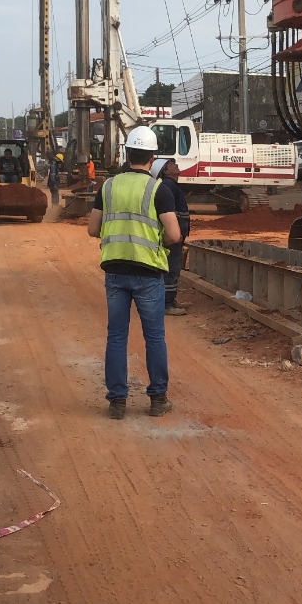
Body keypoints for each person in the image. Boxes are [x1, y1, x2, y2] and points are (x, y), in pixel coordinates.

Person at [88, 126, 181, 420]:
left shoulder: (108, 187)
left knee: (116, 336)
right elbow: (174, 234)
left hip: (115, 270)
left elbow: (93, 229)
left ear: (127, 153)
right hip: (147, 273)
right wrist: (156, 243)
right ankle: (157, 400)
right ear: (152, 157)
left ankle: (117, 402)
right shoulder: (159, 189)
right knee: (154, 337)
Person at [153, 158, 190, 315]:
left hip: (176, 234)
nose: (176, 165)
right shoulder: (168, 186)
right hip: (174, 236)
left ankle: (170, 300)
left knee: (172, 267)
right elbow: (172, 214)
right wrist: (177, 232)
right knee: (171, 268)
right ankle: (167, 304)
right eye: (171, 164)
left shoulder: (171, 186)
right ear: (166, 171)